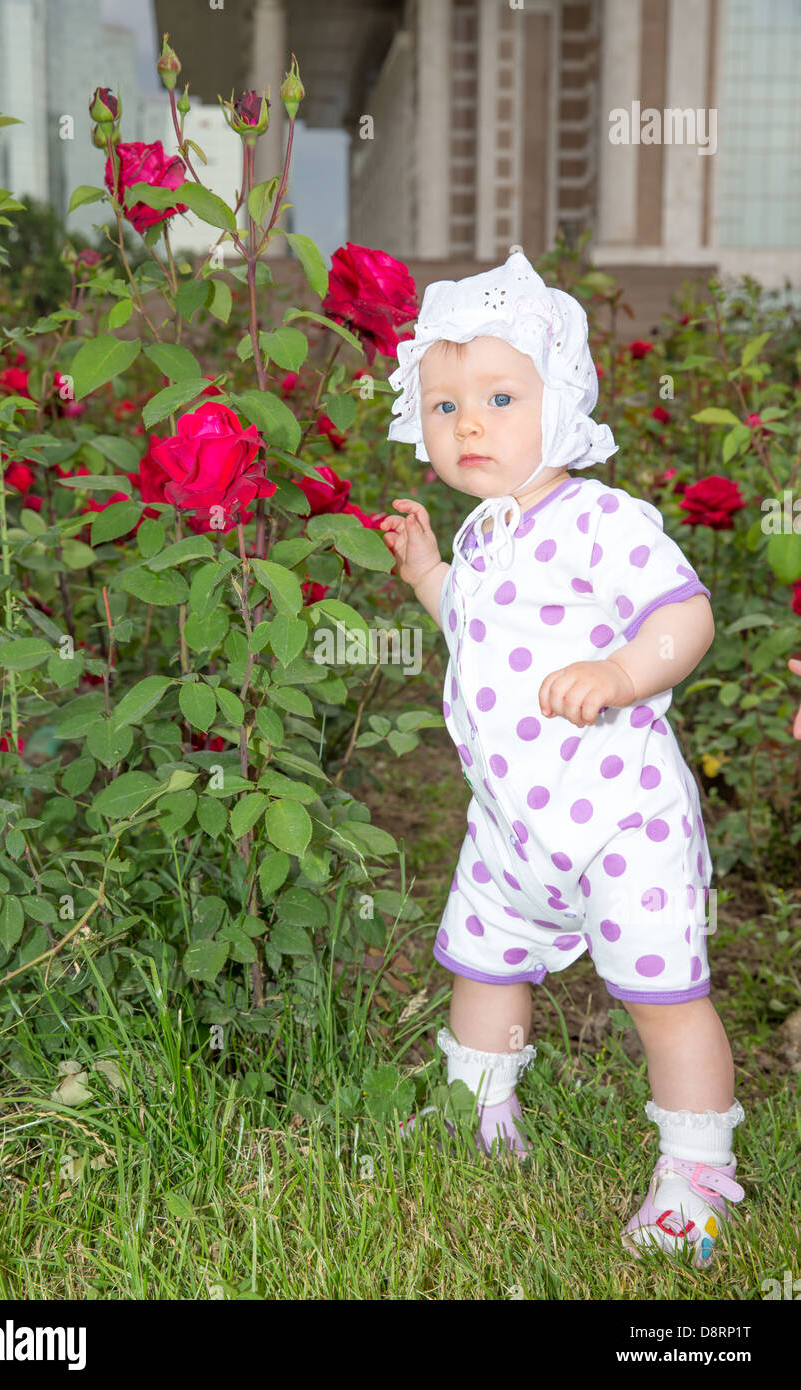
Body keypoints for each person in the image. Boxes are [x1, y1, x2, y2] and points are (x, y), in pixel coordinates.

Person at [379, 249, 746, 1269]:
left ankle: (694, 1169)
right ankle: (479, 1105)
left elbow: (684, 613)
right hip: (509, 825)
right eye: (444, 404)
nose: (468, 424)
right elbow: (467, 617)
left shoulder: (598, 519)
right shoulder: (484, 536)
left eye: (498, 396)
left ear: (563, 398)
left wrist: (626, 671)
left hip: (616, 822)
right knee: (484, 967)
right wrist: (425, 571)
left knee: (663, 997)